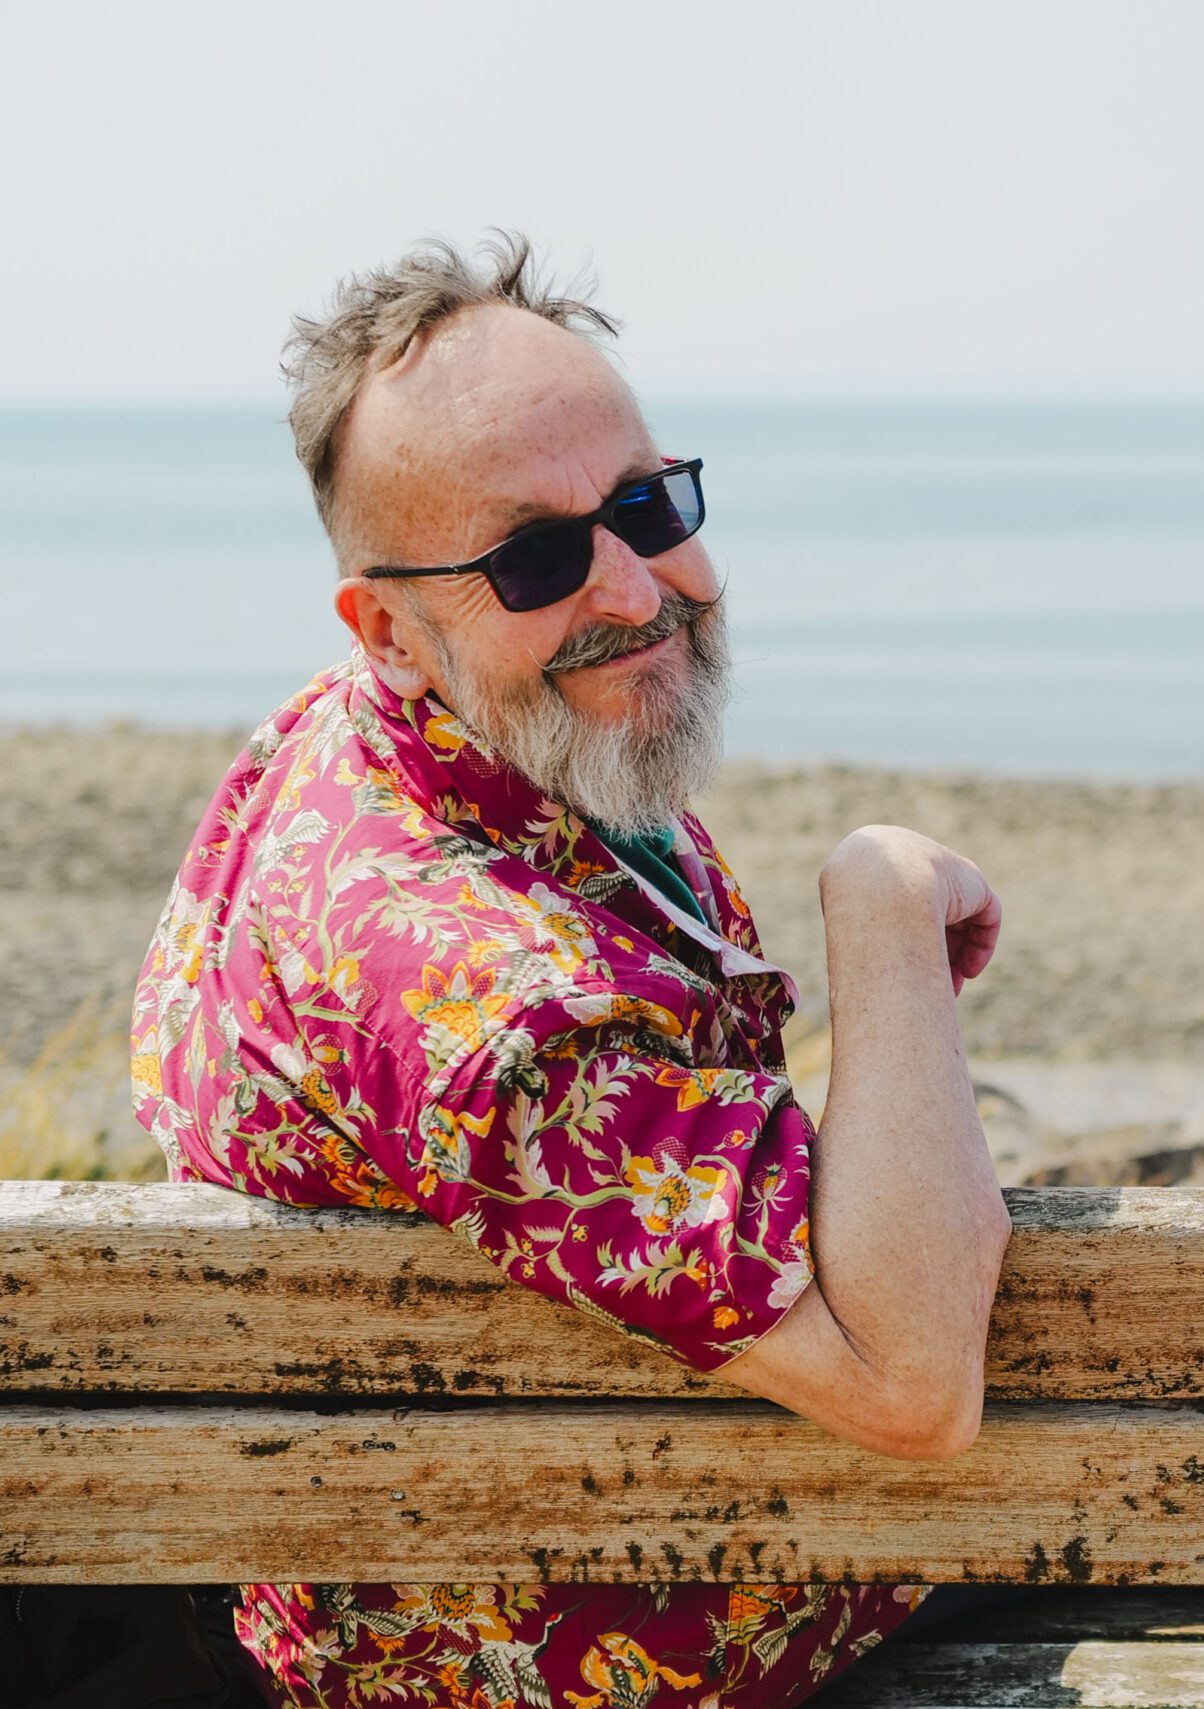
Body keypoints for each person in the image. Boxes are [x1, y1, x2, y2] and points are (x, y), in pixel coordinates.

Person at [128, 235, 1013, 1709]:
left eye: (644, 504)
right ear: (389, 628)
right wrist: (880, 901)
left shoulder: (384, 734)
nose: (634, 586)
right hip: (585, 1645)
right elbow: (914, 1384)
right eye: (534, 558)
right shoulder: (497, 1015)